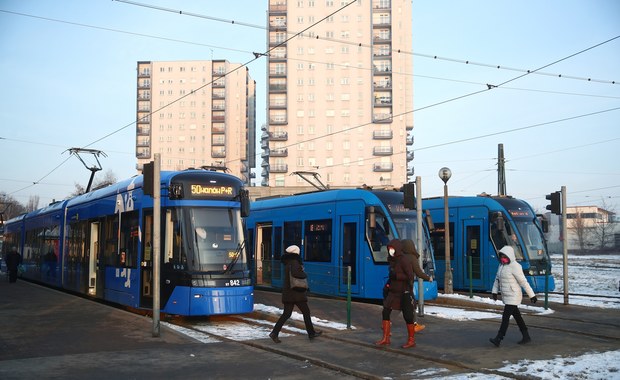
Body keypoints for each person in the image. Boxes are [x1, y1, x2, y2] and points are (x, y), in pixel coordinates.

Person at [269, 245, 322, 343]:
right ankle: (311, 333)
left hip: (289, 293)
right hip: (296, 293)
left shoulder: (288, 262)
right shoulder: (294, 262)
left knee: (286, 314)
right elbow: (296, 274)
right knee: (306, 312)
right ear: (296, 252)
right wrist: (304, 273)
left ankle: (274, 333)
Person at [489, 246, 538, 347]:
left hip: (514, 295)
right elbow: (497, 279)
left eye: (505, 257)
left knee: (505, 317)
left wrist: (532, 295)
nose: (503, 259)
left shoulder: (515, 266)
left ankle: (499, 338)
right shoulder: (501, 266)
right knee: (517, 316)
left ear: (510, 256)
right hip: (507, 295)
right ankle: (526, 336)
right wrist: (494, 292)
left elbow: (523, 282)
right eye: (501, 256)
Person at [375, 239, 417, 349]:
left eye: (392, 249)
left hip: (404, 292)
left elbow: (410, 277)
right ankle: (386, 338)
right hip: (393, 292)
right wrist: (388, 285)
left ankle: (411, 340)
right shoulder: (392, 260)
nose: (390, 251)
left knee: (408, 316)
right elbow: (391, 276)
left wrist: (397, 276)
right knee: (385, 311)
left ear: (397, 249)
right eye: (389, 249)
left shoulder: (404, 260)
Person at [401, 239, 432, 333]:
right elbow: (418, 272)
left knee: (395, 306)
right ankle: (414, 325)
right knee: (411, 305)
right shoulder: (411, 257)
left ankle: (387, 325)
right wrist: (428, 278)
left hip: (398, 284)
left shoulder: (401, 257)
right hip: (407, 285)